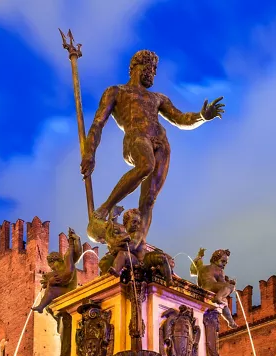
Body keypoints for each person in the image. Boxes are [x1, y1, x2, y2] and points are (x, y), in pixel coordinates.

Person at [82, 49, 224, 232]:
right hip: (136, 137)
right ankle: (105, 208)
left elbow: (181, 119)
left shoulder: (157, 98)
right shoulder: (116, 92)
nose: (154, 73)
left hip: (161, 142)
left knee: (149, 198)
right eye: (152, 68)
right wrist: (89, 153)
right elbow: (98, 124)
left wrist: (202, 117)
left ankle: (138, 242)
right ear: (137, 67)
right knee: (145, 166)